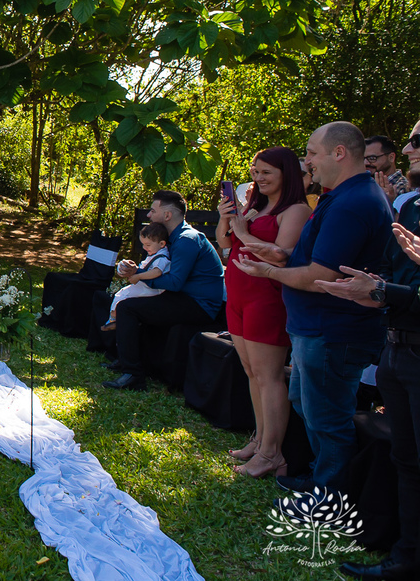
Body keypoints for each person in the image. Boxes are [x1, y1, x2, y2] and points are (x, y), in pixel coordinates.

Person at [233, 122, 393, 507]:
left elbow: (322, 275)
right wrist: (282, 255)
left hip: (333, 330)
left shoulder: (355, 203)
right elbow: (317, 258)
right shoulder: (339, 197)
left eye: (312, 153)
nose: (307, 161)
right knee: (308, 403)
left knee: (329, 416)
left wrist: (270, 271)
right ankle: (321, 476)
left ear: (339, 153)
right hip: (313, 327)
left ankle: (328, 498)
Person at [315, 223, 420, 580]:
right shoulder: (412, 209)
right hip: (397, 350)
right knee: (407, 461)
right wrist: (375, 290)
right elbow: (393, 269)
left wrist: (386, 290)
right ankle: (407, 556)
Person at [216, 146, 311, 479]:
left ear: (286, 173)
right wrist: (227, 220)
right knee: (250, 371)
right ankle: (259, 439)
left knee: (269, 376)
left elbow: (282, 257)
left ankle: (273, 454)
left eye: (266, 172)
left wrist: (243, 231)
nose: (258, 178)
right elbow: (225, 245)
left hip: (267, 298)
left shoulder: (296, 210)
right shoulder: (253, 206)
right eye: (255, 171)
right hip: (238, 294)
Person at [104, 190, 226, 391]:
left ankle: (133, 374)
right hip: (182, 297)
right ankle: (131, 362)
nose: (149, 215)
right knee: (132, 304)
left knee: (128, 308)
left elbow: (175, 282)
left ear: (168, 215)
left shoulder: (187, 239)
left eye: (153, 210)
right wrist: (133, 269)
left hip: (199, 304)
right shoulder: (168, 238)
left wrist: (140, 276)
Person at [101, 222, 170, 332]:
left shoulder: (162, 258)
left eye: (147, 245)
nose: (144, 247)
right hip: (147, 287)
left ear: (161, 243)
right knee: (121, 294)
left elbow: (157, 272)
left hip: (152, 289)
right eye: (143, 244)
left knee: (122, 295)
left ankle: (114, 319)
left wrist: (138, 276)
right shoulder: (155, 252)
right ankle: (114, 318)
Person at [366, 135, 408, 200]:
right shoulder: (367, 184)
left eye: (372, 158)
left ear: (391, 157)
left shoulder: (402, 187)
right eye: (362, 159)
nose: (366, 163)